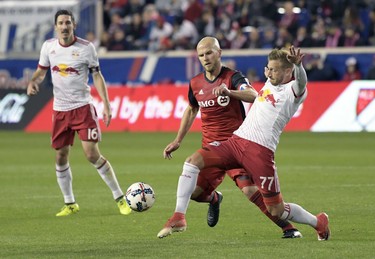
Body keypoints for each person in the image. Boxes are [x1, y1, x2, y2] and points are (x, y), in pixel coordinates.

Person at [157, 46, 330, 241]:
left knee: (276, 210)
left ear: (288, 71)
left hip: (260, 153)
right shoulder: (270, 81)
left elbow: (301, 82)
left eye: (274, 69)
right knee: (192, 161)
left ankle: (318, 222)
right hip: (236, 142)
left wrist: (298, 66)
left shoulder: (294, 92)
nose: (269, 72)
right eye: (268, 68)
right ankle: (179, 217)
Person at [26, 9, 132, 217]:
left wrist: (107, 105)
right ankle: (70, 203)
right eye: (61, 23)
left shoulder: (86, 48)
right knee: (60, 155)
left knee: (92, 154)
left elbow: (97, 76)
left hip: (82, 108)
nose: (64, 26)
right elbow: (41, 71)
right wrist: (33, 81)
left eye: (68, 22)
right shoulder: (49, 47)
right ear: (55, 26)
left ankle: (120, 198)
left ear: (73, 25)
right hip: (60, 110)